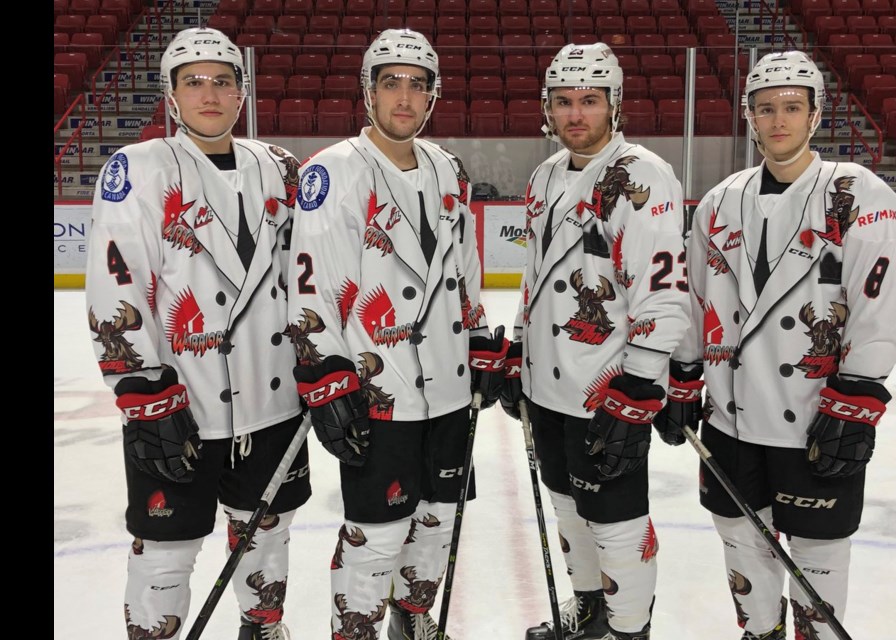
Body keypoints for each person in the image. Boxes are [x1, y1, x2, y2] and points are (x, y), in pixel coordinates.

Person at [666, 50, 896, 639]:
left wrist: (858, 393)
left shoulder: (858, 195)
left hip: (817, 418)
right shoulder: (720, 201)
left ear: (816, 113)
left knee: (818, 552)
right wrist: (684, 374)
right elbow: (697, 297)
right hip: (731, 416)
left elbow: (885, 304)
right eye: (766, 108)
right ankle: (759, 632)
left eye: (792, 108)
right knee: (741, 541)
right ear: (749, 116)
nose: (779, 120)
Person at [85, 27, 309, 640]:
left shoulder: (280, 168)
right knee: (165, 549)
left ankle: (262, 627)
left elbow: (309, 276)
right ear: (171, 95)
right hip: (182, 402)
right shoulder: (138, 168)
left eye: (223, 80)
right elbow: (116, 284)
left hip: (273, 400)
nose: (209, 94)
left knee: (267, 532)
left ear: (242, 93)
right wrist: (142, 394)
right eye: (193, 81)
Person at [285, 28, 506, 640]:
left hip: (449, 388)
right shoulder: (333, 171)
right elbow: (312, 290)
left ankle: (412, 618)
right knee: (375, 533)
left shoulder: (447, 169)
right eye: (391, 84)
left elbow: (465, 272)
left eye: (417, 85)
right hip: (378, 390)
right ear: (368, 92)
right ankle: (354, 628)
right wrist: (325, 377)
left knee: (438, 520)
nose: (403, 98)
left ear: (433, 97)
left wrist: (480, 337)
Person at [499, 43, 691, 640]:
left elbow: (661, 290)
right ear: (547, 108)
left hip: (608, 389)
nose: (576, 114)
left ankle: (630, 629)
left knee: (616, 521)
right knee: (566, 507)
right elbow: (536, 279)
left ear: (615, 105)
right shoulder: (546, 175)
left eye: (589, 101)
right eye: (563, 102)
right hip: (548, 384)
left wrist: (640, 383)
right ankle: (590, 611)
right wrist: (520, 352)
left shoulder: (643, 175)